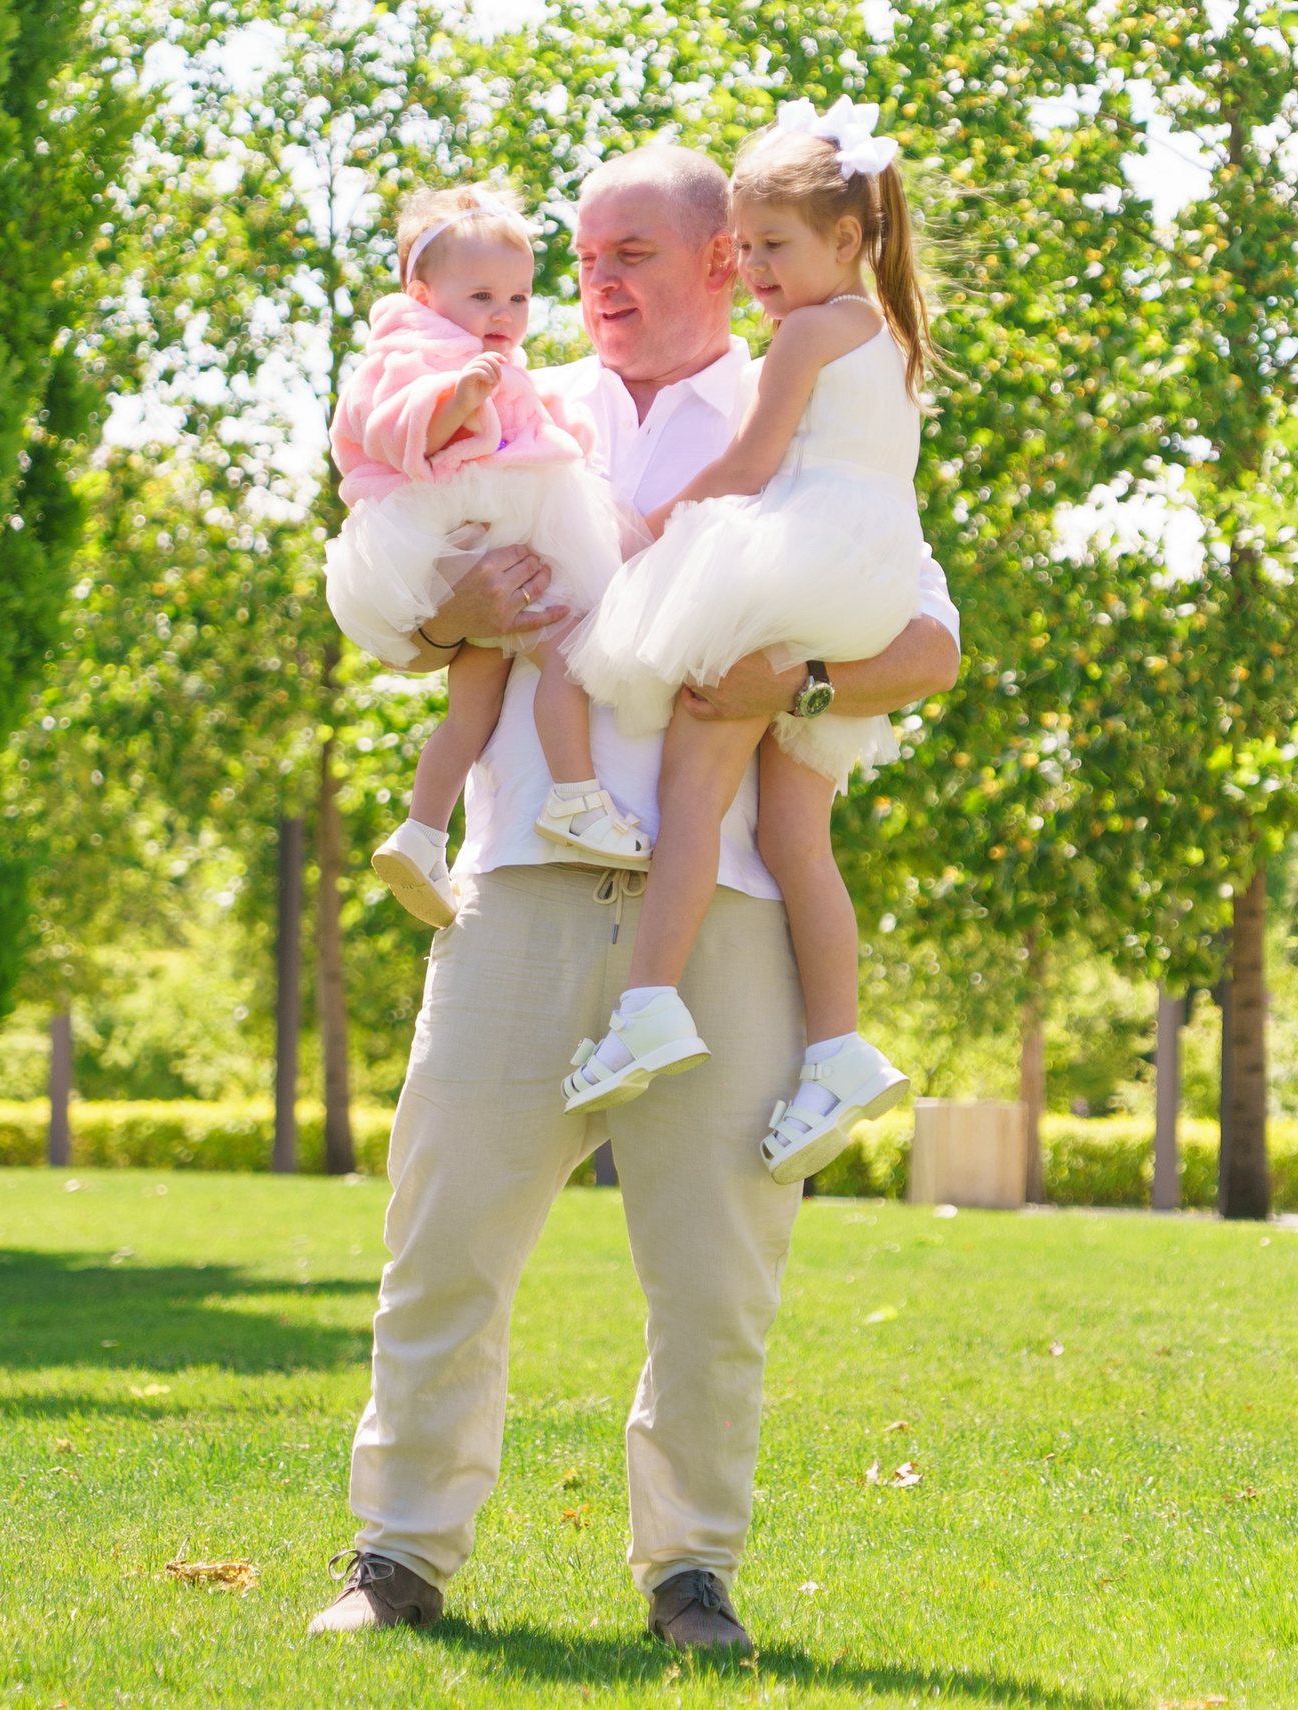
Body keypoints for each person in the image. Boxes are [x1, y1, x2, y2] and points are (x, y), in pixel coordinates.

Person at [306, 140, 962, 1650]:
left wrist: (791, 676)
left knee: (717, 1281)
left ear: (724, 262)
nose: (594, 286)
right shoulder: (518, 397)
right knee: (444, 1244)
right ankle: (398, 1556)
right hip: (519, 892)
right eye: (583, 260)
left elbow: (926, 645)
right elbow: (401, 594)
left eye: (632, 257)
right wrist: (447, 608)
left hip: (726, 917)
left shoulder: (811, 397)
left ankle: (691, 1574)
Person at [561, 100, 925, 1185]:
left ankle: (648, 1005)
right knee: (795, 838)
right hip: (870, 580)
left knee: (691, 789)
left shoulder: (807, 335)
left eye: (771, 246)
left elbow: (753, 466)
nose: (755, 269)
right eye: (747, 248)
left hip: (793, 566)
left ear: (846, 240)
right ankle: (839, 1046)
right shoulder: (891, 336)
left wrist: (668, 522)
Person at [324, 185, 650, 931]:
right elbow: (395, 425)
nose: (502, 315)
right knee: (567, 649)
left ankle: (421, 835)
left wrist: (556, 427)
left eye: (518, 297)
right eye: (481, 296)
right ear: (422, 292)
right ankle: (576, 798)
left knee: (469, 715)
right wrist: (457, 397)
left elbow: (537, 422)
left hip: (469, 539)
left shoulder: (491, 358)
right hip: (451, 532)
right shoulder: (416, 352)